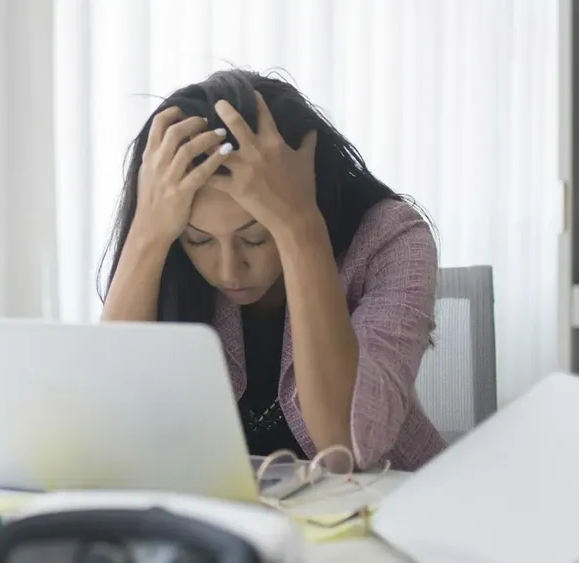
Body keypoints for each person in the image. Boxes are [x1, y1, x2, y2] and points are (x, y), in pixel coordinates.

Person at [98, 69, 447, 471]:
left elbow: (346, 447)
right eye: (199, 240)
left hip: (381, 512)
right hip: (231, 517)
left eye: (256, 238)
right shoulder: (167, 249)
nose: (230, 270)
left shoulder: (392, 237)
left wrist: (300, 227)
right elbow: (111, 425)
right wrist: (148, 232)